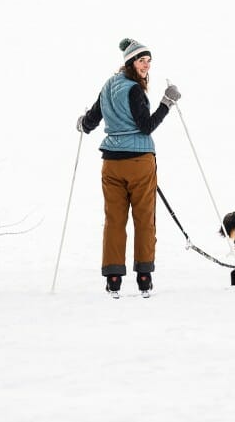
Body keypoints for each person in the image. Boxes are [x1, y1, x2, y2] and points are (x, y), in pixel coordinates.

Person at [77, 38, 181, 296]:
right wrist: (167, 103)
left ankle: (113, 279)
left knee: (114, 221)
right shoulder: (134, 89)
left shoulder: (108, 86)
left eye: (148, 61)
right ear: (130, 62)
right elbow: (146, 127)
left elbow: (91, 121)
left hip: (111, 163)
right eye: (141, 60)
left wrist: (82, 124)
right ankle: (144, 277)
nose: (146, 66)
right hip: (139, 162)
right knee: (144, 220)